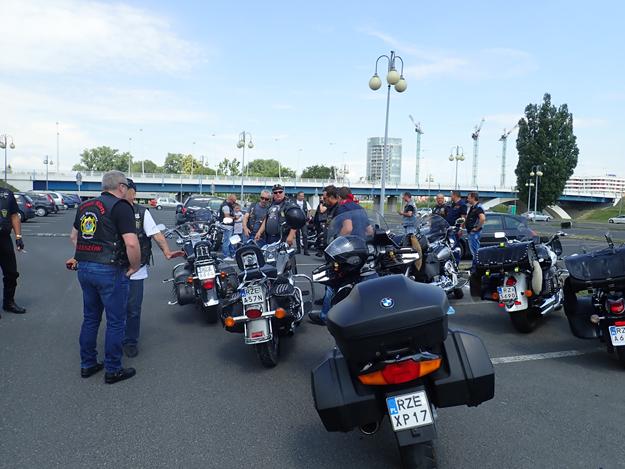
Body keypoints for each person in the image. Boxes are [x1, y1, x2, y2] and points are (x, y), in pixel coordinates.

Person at [68, 170, 141, 384]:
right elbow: (131, 243)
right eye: (126, 186)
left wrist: (87, 254)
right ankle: (113, 369)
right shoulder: (121, 207)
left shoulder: (85, 206)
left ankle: (88, 363)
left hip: (85, 268)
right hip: (110, 268)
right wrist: (135, 266)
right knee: (116, 321)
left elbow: (74, 237)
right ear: (121, 187)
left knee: (90, 318)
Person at [122, 179, 184, 358]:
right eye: (120, 188)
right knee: (115, 308)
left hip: (136, 269)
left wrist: (167, 252)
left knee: (133, 309)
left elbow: (156, 233)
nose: (122, 192)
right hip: (113, 268)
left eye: (126, 188)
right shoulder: (110, 209)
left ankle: (130, 341)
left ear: (133, 192)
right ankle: (115, 339)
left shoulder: (141, 212)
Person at [309, 187, 371, 326]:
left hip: (347, 249)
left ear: (339, 197)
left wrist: (336, 242)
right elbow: (369, 231)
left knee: (333, 280)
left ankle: (325, 315)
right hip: (361, 249)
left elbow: (347, 228)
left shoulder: (343, 208)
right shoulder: (359, 208)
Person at [0, 186, 26, 318]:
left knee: (11, 273)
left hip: (4, 239)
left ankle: (8, 302)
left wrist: (18, 237)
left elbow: (14, 215)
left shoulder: (7, 194)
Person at [464, 192, 486, 269]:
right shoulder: (473, 207)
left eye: (468, 198)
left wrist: (477, 228)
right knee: (474, 251)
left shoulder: (478, 207)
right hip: (471, 232)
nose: (467, 199)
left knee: (475, 251)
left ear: (473, 198)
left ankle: (476, 268)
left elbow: (482, 219)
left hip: (474, 233)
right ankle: (474, 266)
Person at [219, 194, 237, 261]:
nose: (234, 203)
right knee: (227, 241)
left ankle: (231, 254)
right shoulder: (226, 206)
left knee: (230, 241)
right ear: (230, 199)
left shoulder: (227, 205)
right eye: (233, 201)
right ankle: (226, 255)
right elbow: (227, 217)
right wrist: (235, 217)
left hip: (229, 226)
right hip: (227, 226)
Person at [294, 191, 312, 255]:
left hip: (303, 221)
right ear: (298, 196)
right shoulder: (294, 202)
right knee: (297, 235)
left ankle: (306, 251)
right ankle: (298, 250)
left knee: (305, 235)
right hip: (296, 221)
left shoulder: (305, 202)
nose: (303, 197)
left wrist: (308, 217)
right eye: (301, 196)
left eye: (303, 196)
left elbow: (310, 210)